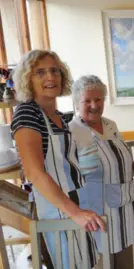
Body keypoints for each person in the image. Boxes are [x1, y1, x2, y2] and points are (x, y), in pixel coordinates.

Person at [11, 50, 104, 268]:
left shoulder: (60, 117)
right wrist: (76, 212)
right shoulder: (27, 113)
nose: (50, 77)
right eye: (40, 72)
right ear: (27, 78)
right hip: (56, 210)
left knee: (85, 262)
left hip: (76, 202)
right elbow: (34, 172)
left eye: (54, 71)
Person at [69, 75, 134, 268]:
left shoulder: (110, 125)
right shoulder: (73, 131)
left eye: (98, 99)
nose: (94, 105)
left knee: (124, 259)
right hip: (97, 210)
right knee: (103, 260)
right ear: (76, 103)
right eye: (87, 101)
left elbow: (118, 157)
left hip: (124, 204)